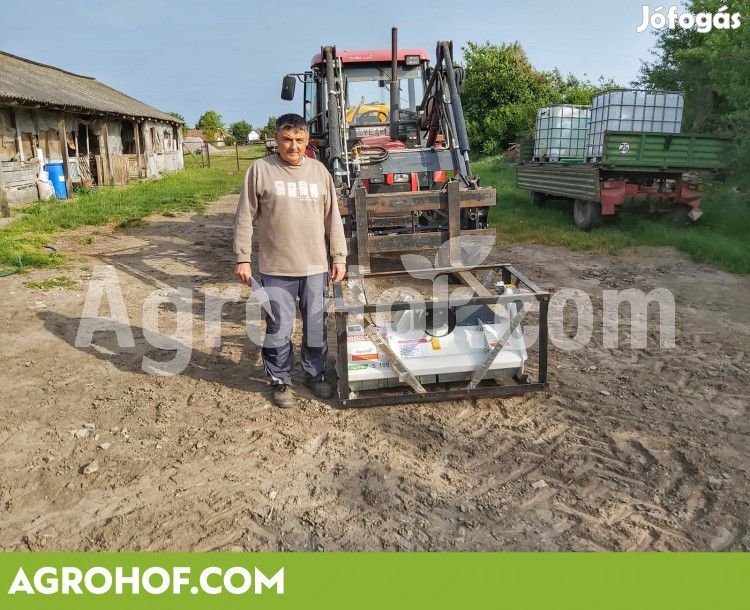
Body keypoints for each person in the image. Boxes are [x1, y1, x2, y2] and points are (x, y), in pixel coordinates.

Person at [234, 114, 347, 407]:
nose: (292, 146)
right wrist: (243, 258)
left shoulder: (320, 173)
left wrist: (339, 256)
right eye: (287, 139)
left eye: (298, 140)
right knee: (279, 327)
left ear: (307, 141)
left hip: (314, 266)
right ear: (276, 139)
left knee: (315, 325)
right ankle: (280, 380)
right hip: (276, 267)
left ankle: (315, 374)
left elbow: (332, 218)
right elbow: (244, 217)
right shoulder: (260, 171)